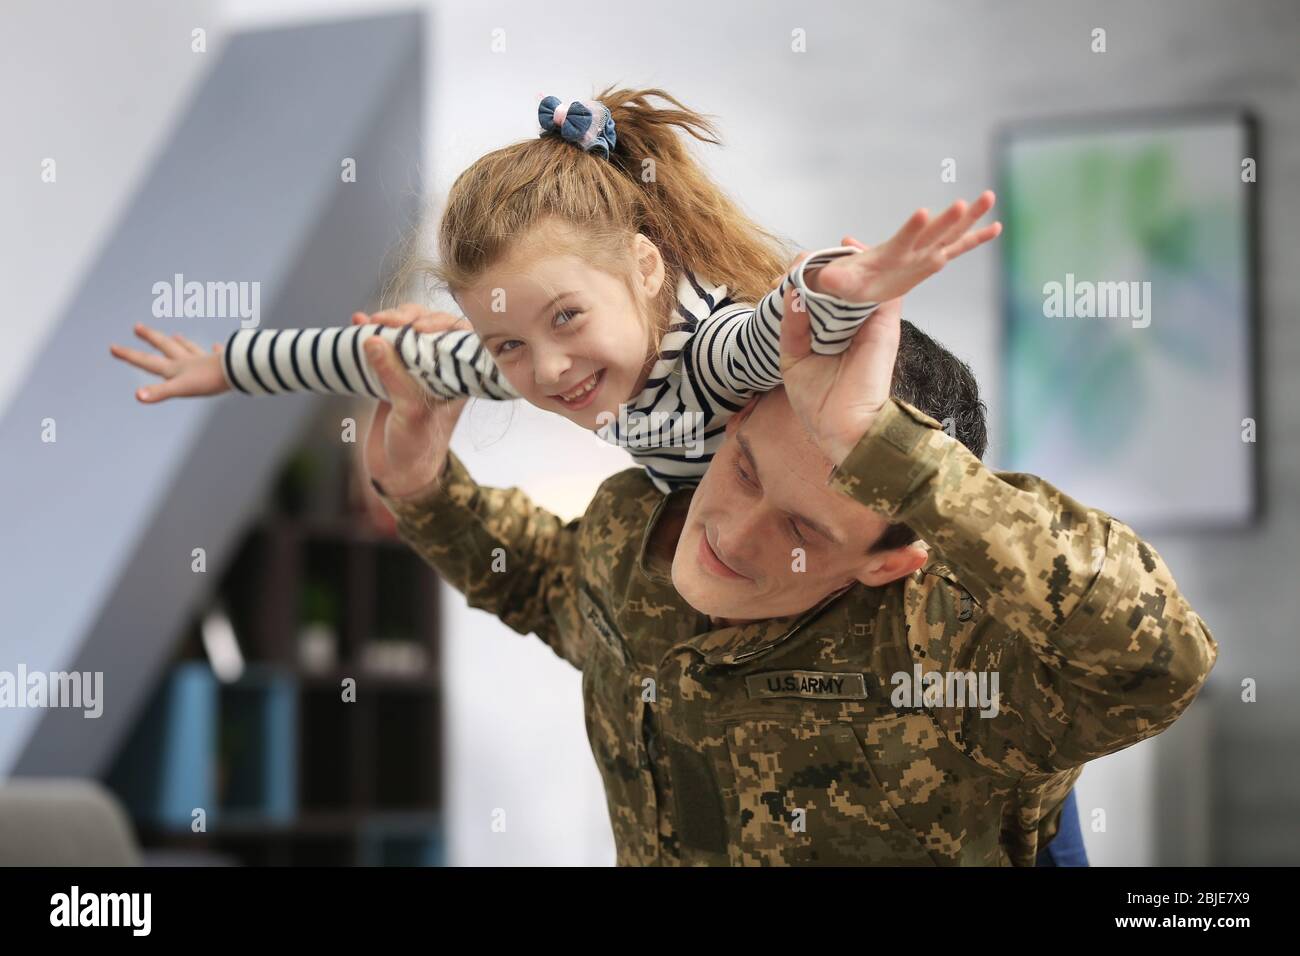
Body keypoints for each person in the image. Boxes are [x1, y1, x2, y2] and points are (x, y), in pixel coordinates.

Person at [353, 290, 1216, 865]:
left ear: (892, 558)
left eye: (805, 529)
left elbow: (1159, 659)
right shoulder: (636, 534)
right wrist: (424, 482)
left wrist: (900, 461)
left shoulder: (952, 652)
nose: (732, 529)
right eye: (746, 469)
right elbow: (548, 583)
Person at [110, 87, 999, 493]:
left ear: (648, 268)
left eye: (567, 316)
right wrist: (224, 363)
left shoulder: (706, 359)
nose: (547, 369)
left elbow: (777, 324)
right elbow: (376, 352)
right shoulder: (538, 360)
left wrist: (845, 283)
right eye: (507, 343)